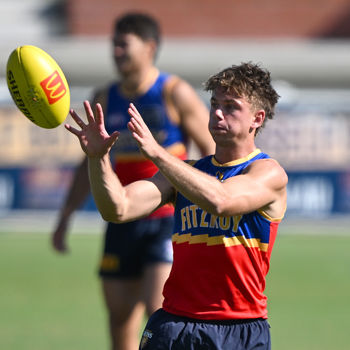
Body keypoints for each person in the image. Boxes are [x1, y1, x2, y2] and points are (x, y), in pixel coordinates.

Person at [64, 62, 288, 350]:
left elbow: (222, 200)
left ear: (256, 118)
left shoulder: (267, 173)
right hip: (174, 326)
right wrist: (98, 158)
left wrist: (158, 153)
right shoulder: (186, 173)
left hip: (238, 329)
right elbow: (117, 208)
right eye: (214, 103)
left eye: (231, 106)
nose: (218, 113)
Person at [51, 12, 215, 350]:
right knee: (119, 315)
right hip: (121, 219)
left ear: (150, 47)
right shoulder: (104, 98)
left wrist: (209, 209)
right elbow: (89, 164)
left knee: (161, 313)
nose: (116, 51)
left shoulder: (174, 93)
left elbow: (213, 152)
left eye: (124, 44)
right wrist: (65, 215)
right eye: (113, 44)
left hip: (166, 221)